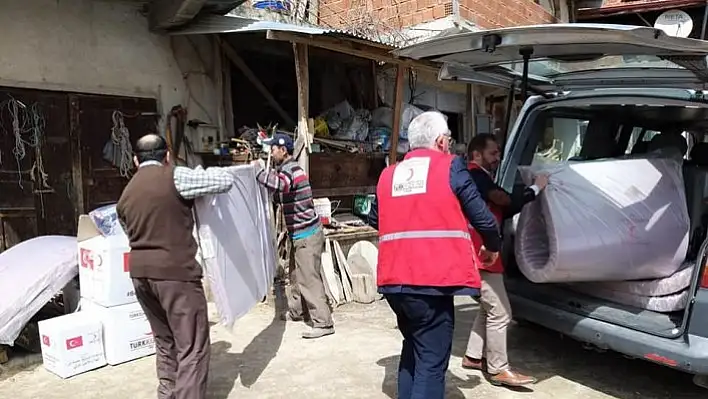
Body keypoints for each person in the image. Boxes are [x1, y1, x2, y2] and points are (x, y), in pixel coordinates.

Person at [367, 111, 502, 399]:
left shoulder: (388, 174)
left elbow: (375, 218)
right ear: (441, 141)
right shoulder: (450, 167)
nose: (451, 146)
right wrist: (491, 247)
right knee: (431, 360)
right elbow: (484, 219)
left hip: (393, 281)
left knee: (414, 347)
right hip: (431, 281)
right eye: (449, 140)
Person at [117, 134, 235, 399]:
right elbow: (225, 181)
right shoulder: (176, 177)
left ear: (136, 161)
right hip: (175, 274)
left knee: (164, 341)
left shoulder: (126, 193)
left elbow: (129, 231)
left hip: (140, 275)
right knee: (192, 346)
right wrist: (207, 169)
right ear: (167, 156)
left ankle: (167, 393)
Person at [462, 133, 548, 387]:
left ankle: (473, 356)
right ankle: (498, 369)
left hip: (479, 251)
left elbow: (503, 205)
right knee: (501, 313)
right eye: (493, 153)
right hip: (483, 254)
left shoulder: (475, 177)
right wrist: (536, 188)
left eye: (499, 153)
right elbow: (506, 201)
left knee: (487, 307)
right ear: (477, 155)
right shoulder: (476, 176)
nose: (497, 158)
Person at [251, 133, 334, 339]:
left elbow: (281, 185)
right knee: (296, 276)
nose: (271, 152)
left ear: (283, 150)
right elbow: (280, 194)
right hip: (299, 234)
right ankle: (297, 311)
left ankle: (323, 322)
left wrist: (258, 172)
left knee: (309, 279)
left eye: (273, 149)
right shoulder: (286, 170)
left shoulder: (292, 170)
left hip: (307, 235)